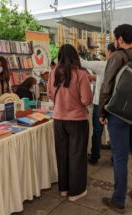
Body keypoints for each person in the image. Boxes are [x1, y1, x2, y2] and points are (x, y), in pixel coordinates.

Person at [99, 24, 132, 213]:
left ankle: (119, 200)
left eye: (115, 38)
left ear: (120, 39)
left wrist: (102, 112)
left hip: (118, 114)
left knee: (120, 158)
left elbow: (106, 86)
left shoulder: (117, 56)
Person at [47, 44, 93, 202]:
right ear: (75, 56)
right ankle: (76, 191)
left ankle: (64, 189)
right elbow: (86, 99)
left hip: (59, 119)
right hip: (77, 120)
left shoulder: (53, 72)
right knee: (77, 155)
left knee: (62, 154)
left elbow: (49, 95)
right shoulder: (81, 74)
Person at [80, 42, 116, 165]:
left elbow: (83, 63)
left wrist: (74, 52)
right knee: (114, 131)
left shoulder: (102, 64)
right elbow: (105, 78)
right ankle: (114, 159)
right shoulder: (120, 65)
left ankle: (95, 157)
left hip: (99, 103)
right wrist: (95, 77)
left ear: (109, 52)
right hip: (114, 104)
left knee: (97, 131)